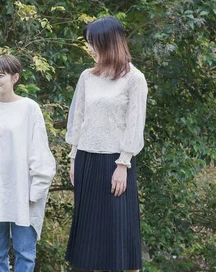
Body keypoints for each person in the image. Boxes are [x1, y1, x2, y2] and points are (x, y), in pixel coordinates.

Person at [65, 16, 148, 272]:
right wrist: (73, 157)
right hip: (86, 161)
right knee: (92, 239)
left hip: (116, 164)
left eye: (92, 43)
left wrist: (123, 164)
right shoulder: (87, 77)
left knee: (120, 235)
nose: (89, 48)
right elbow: (78, 119)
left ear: (108, 43)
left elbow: (135, 124)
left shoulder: (135, 79)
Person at [0, 54, 57, 272]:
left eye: (1, 75)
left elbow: (40, 151)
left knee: (25, 255)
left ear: (15, 77)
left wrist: (36, 190)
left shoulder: (29, 108)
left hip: (23, 194)